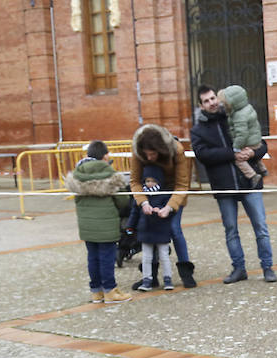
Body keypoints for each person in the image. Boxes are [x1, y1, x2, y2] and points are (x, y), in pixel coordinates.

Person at [191, 85, 276, 283]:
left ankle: (268, 267)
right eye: (206, 101)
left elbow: (260, 143)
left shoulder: (234, 114)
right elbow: (203, 155)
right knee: (231, 230)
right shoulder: (198, 130)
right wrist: (232, 154)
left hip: (249, 183)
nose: (212, 103)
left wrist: (254, 152)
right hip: (224, 187)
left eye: (213, 98)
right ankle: (239, 269)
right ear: (201, 105)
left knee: (261, 227)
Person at [64, 140, 133, 304]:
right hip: (106, 224)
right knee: (107, 257)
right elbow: (123, 201)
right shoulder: (110, 174)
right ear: (105, 156)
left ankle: (96, 292)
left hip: (87, 225)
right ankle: (110, 290)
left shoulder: (78, 174)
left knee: (92, 257)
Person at [129, 123, 197, 288]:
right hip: (150, 195)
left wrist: (169, 207)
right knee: (149, 229)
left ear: (161, 150)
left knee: (174, 229)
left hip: (173, 193)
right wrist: (143, 202)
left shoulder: (176, 150)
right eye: (146, 154)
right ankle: (150, 275)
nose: (149, 158)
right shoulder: (138, 151)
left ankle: (185, 271)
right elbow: (135, 181)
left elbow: (182, 185)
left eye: (153, 154)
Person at [132, 150, 176, 293]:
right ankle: (147, 279)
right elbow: (135, 211)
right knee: (146, 257)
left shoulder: (165, 195)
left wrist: (163, 210)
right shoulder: (141, 196)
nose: (150, 184)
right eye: (147, 181)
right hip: (145, 230)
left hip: (161, 229)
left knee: (164, 256)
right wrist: (130, 227)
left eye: (153, 181)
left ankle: (167, 278)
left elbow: (172, 210)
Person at [220, 85, 268, 188]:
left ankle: (253, 175)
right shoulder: (248, 108)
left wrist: (236, 147)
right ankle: (263, 169)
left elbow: (241, 134)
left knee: (239, 159)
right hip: (256, 141)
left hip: (248, 142)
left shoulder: (238, 116)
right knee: (253, 155)